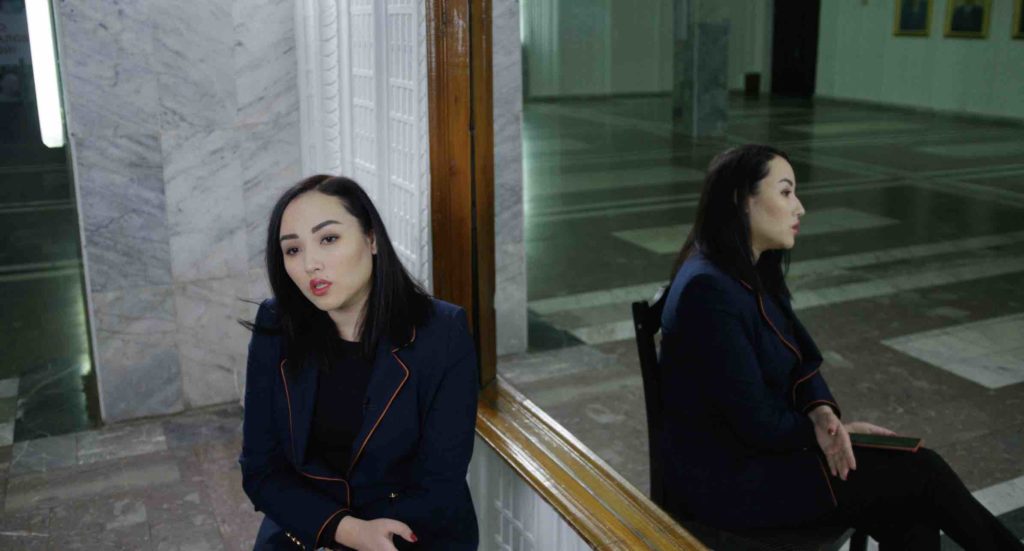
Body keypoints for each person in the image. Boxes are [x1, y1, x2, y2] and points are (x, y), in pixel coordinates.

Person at [658, 145, 1022, 549]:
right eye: (785, 192)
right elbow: (755, 422)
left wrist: (822, 411)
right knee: (924, 472)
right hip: (733, 482)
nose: (800, 208)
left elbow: (803, 358)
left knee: (911, 511)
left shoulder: (748, 265)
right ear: (741, 200)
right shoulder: (708, 290)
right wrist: (837, 434)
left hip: (768, 456)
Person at [239, 175, 479, 550]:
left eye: (328, 239)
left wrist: (370, 538)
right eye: (292, 250)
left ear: (371, 239)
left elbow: (439, 481)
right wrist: (345, 531)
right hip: (307, 529)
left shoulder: (442, 332)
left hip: (411, 533)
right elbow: (260, 470)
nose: (310, 264)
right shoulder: (277, 324)